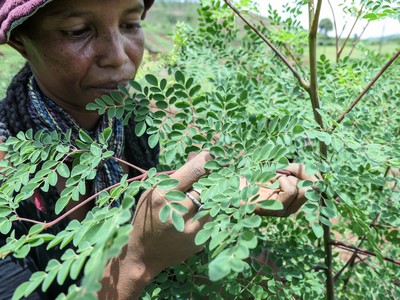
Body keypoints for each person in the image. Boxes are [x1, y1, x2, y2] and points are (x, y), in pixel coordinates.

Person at [0, 0, 317, 299]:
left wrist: (222, 200)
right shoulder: (8, 174)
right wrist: (139, 259)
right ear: (20, 40)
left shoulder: (128, 128)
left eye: (130, 24)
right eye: (77, 30)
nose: (119, 56)